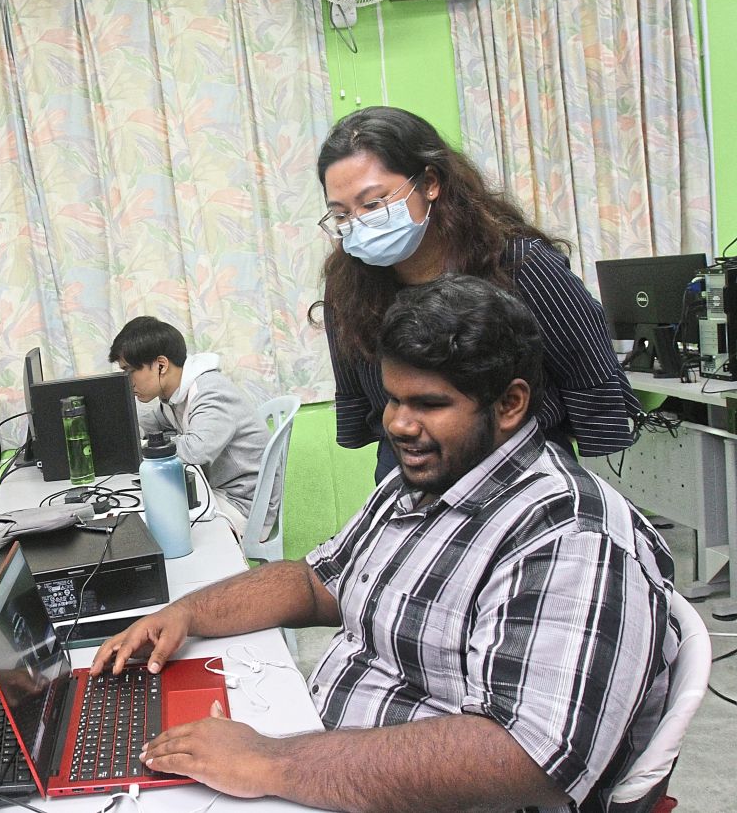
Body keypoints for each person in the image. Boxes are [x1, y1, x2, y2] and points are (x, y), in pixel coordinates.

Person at [92, 276, 677, 812]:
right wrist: (186, 613)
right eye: (395, 399)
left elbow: (527, 758)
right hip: (327, 760)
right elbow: (315, 580)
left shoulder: (570, 537)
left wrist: (269, 761)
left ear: (510, 404)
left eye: (428, 404)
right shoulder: (424, 480)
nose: (397, 424)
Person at [311, 106, 641, 481]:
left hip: (519, 461)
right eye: (341, 214)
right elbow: (359, 388)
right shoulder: (348, 286)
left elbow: (586, 362)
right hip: (412, 463)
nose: (358, 223)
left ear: (430, 182)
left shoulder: (519, 263)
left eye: (373, 204)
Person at [109, 316, 278, 538]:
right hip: (217, 492)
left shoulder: (210, 392)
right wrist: (122, 434)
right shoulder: (174, 395)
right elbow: (149, 424)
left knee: (143, 523)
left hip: (243, 506)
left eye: (130, 371)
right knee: (142, 508)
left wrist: (139, 447)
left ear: (161, 365)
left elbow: (196, 451)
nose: (127, 380)